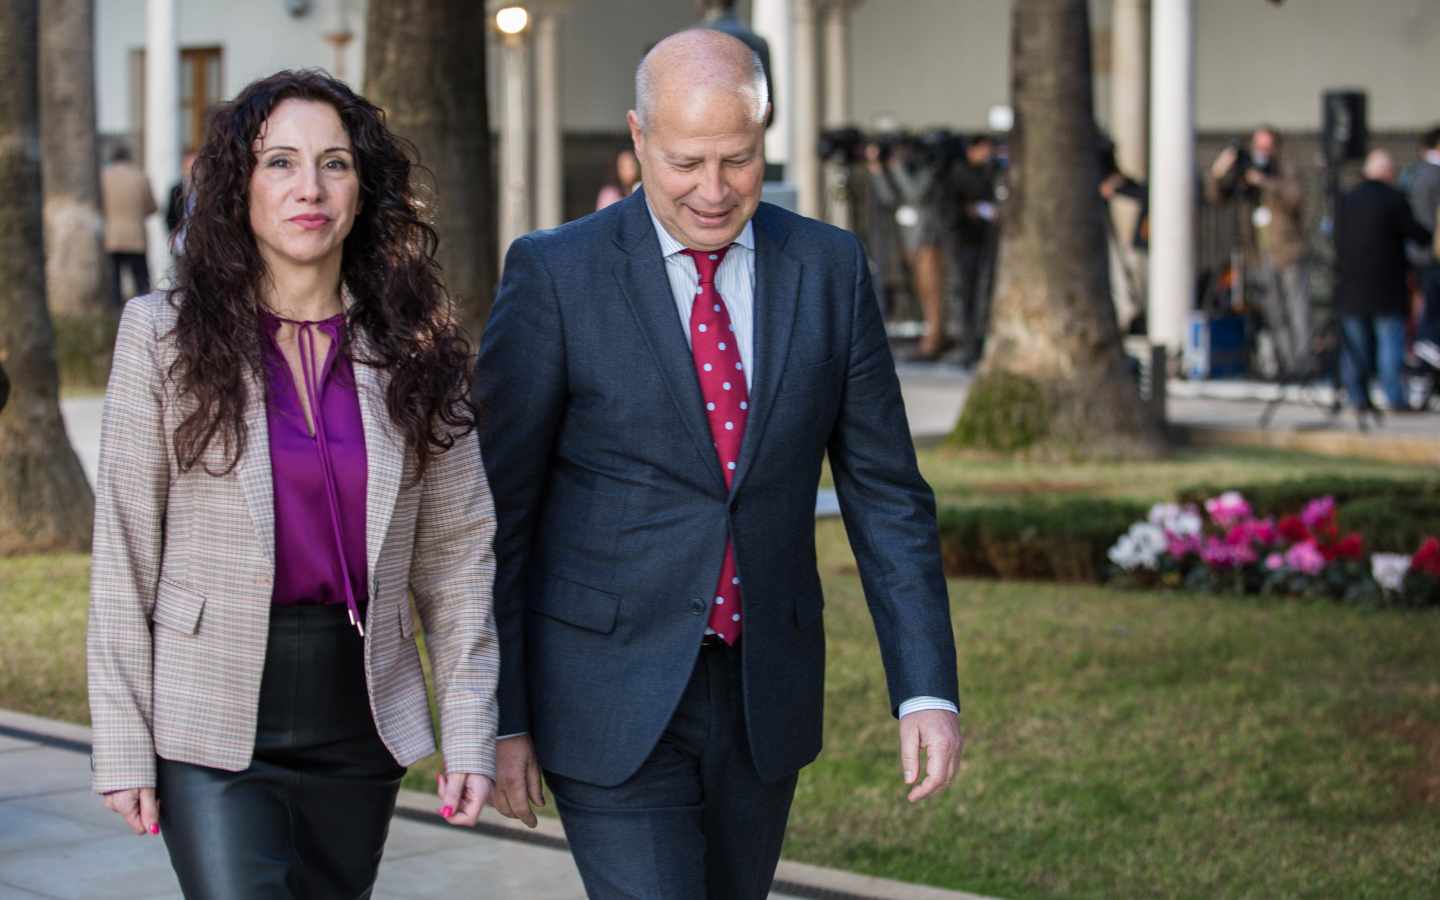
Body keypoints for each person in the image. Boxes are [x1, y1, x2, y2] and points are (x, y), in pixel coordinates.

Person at [476, 30, 961, 900]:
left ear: (765, 133)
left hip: (762, 693)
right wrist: (502, 715)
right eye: (686, 162)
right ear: (637, 138)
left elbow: (887, 495)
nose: (713, 189)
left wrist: (925, 689)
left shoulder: (828, 268)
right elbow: (498, 513)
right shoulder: (556, 274)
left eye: (737, 159)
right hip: (605, 694)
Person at [87, 70, 499, 898]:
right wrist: (123, 742)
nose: (308, 187)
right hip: (211, 712)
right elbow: (124, 550)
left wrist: (469, 729)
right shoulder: (161, 336)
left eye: (334, 163)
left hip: (358, 715)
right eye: (280, 162)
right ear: (239, 185)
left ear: (363, 187)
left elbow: (458, 558)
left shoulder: (419, 349)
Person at [1206, 126, 1310, 376]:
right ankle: (1286, 365)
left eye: (1266, 146)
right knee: (1274, 313)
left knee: (1296, 310)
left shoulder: (1285, 168)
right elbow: (1216, 197)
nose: (1260, 151)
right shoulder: (1244, 171)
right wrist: (1219, 171)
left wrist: (1265, 182)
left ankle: (1303, 365)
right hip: (1258, 253)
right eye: (1257, 146)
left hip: (1287, 251)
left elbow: (1295, 198)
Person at [1334, 149, 1432, 412]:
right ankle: (1394, 399)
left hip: (1352, 286)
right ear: (1388, 172)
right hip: (1387, 287)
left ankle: (1357, 399)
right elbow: (1418, 234)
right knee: (1390, 346)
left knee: (1356, 348)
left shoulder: (1347, 199)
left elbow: (1336, 240)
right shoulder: (1394, 199)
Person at [868, 139, 952, 360]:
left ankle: (934, 339)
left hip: (928, 239)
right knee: (922, 291)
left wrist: (895, 168)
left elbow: (914, 194)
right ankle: (930, 338)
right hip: (910, 240)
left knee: (931, 291)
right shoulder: (904, 172)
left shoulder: (929, 170)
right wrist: (877, 171)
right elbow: (890, 199)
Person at [947, 134, 1001, 365]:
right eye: (984, 149)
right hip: (966, 240)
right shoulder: (959, 173)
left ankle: (978, 341)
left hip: (986, 239)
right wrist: (972, 211)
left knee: (984, 291)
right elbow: (952, 208)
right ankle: (969, 343)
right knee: (967, 292)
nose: (987, 155)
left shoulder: (990, 173)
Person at [100, 145, 159, 305]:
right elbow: (152, 207)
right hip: (136, 235)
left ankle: (115, 311)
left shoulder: (104, 177)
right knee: (140, 278)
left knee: (115, 278)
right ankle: (144, 310)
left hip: (112, 235)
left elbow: (99, 206)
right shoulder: (140, 177)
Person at [1408, 126, 1440, 367]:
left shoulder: (1415, 172)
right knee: (1429, 310)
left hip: (1419, 252)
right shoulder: (1433, 174)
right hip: (1431, 254)